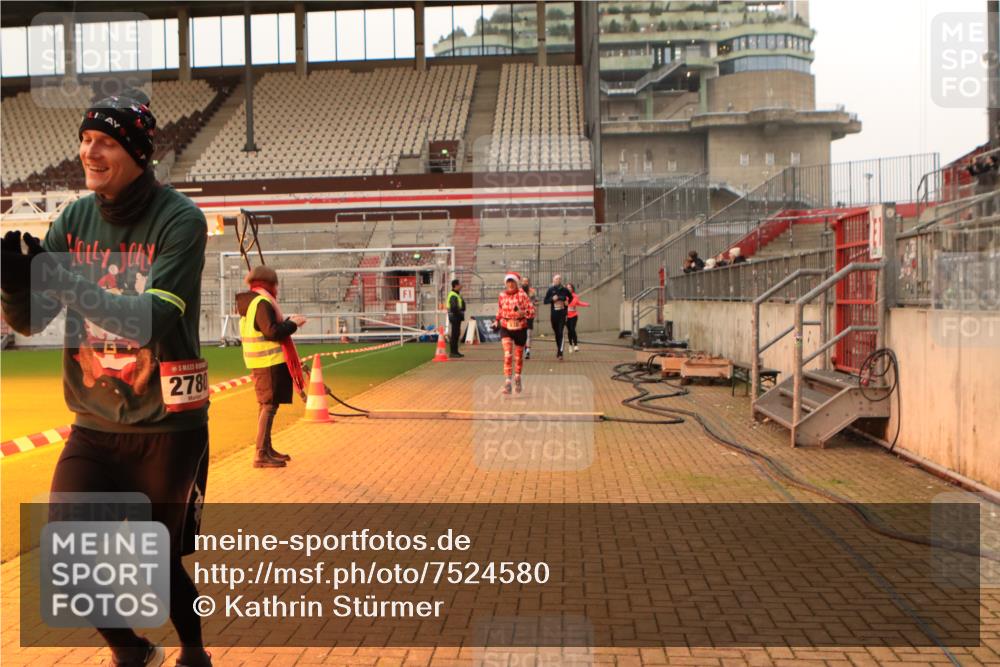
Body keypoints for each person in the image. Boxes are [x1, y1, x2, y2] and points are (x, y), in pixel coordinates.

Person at [0, 93, 213, 667]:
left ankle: (193, 648)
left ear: (138, 151)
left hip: (169, 423)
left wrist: (60, 277)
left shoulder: (181, 221)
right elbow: (30, 319)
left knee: (155, 558)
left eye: (107, 141)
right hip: (92, 420)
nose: (90, 151)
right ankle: (131, 650)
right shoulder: (73, 218)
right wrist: (14, 282)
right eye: (86, 138)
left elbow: (149, 320)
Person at [236, 265, 307, 469]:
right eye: (275, 284)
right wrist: (293, 324)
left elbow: (265, 328)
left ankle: (266, 448)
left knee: (266, 406)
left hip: (260, 362)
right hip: (268, 362)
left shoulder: (251, 301)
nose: (277, 288)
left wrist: (287, 322)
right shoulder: (261, 302)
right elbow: (272, 332)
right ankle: (261, 454)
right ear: (269, 283)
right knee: (269, 406)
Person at [493, 271, 535, 394]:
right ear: (505, 283)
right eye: (508, 282)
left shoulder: (522, 295)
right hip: (506, 327)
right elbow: (500, 309)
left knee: (518, 356)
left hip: (520, 328)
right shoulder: (502, 295)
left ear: (516, 283)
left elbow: (532, 311)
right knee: (507, 355)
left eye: (512, 282)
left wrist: (524, 313)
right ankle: (507, 382)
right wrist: (496, 321)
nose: (510, 284)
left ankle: (517, 377)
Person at [542, 273, 573, 360]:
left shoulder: (564, 289)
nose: (557, 281)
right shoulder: (551, 289)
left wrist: (567, 302)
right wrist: (552, 299)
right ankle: (559, 349)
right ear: (553, 280)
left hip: (562, 313)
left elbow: (570, 297)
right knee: (556, 333)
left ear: (560, 280)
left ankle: (560, 352)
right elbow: (545, 301)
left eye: (559, 279)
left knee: (561, 332)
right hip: (554, 314)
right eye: (556, 279)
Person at [565, 283, 590, 353]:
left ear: (572, 288)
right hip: (567, 316)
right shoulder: (564, 296)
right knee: (569, 331)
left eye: (570, 287)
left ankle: (576, 345)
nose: (569, 288)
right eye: (567, 287)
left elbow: (578, 303)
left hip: (574, 316)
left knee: (572, 329)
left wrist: (586, 304)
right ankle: (570, 345)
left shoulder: (575, 296)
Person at [446, 279, 465, 358]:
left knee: (456, 334)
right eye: (460, 284)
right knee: (454, 335)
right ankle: (453, 352)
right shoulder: (453, 295)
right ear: (456, 285)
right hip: (455, 317)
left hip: (456, 317)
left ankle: (455, 351)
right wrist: (460, 314)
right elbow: (454, 307)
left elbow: (460, 305)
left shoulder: (456, 294)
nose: (461, 286)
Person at [521, 276, 538, 359]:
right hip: (520, 315)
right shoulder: (518, 292)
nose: (525, 283)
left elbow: (535, 302)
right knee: (522, 334)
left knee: (528, 334)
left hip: (530, 314)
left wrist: (534, 308)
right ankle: (524, 349)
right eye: (523, 281)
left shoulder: (532, 291)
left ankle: (527, 351)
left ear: (528, 282)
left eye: (526, 281)